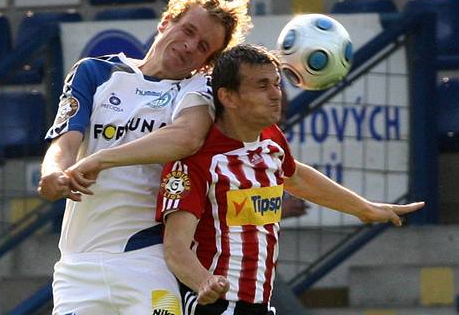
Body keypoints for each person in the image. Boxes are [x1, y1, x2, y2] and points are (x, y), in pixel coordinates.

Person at [155, 44, 425, 315]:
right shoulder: (195, 161)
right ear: (228, 97)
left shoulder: (271, 139)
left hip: (258, 304)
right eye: (262, 86)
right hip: (214, 305)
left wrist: (364, 208)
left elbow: (295, 176)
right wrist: (205, 282)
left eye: (276, 83)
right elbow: (175, 249)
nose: (277, 95)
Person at [37, 0, 252, 315]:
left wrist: (101, 159)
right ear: (166, 22)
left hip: (148, 262)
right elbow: (64, 143)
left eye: (203, 47)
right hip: (77, 266)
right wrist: (52, 173)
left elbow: (186, 138)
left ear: (207, 63)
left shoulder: (196, 90)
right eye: (188, 30)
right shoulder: (94, 72)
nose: (190, 46)